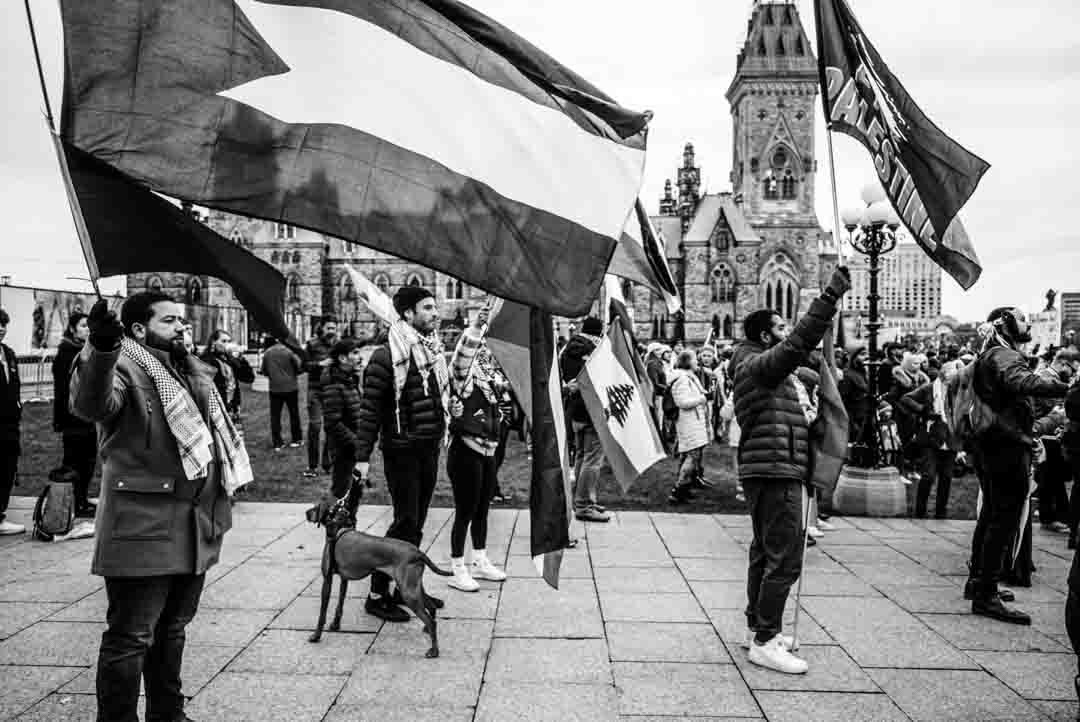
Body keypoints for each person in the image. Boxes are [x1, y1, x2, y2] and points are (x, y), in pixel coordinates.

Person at [71, 294, 248, 722]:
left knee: (172, 631)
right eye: (169, 321)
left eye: (182, 320)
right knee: (131, 637)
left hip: (193, 526)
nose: (182, 327)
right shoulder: (122, 365)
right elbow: (90, 404)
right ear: (137, 329)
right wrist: (102, 346)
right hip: (144, 527)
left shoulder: (187, 370)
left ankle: (168, 715)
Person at [733, 265, 850, 675]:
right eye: (780, 326)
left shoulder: (760, 365)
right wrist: (828, 299)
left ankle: (759, 628)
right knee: (784, 558)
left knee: (765, 552)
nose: (787, 332)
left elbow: (806, 359)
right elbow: (797, 346)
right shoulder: (757, 367)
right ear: (765, 336)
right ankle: (766, 639)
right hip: (774, 468)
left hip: (774, 465)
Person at [965, 307, 1069, 625]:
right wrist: (1067, 389)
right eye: (1022, 319)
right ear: (1007, 325)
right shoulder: (1004, 354)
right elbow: (1021, 381)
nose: (1028, 324)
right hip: (1006, 446)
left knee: (992, 513)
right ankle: (986, 593)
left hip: (994, 444)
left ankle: (980, 583)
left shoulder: (993, 353)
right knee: (1004, 517)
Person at [352, 287, 448, 622]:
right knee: (405, 523)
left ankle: (409, 588)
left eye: (435, 307)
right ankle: (378, 595)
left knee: (417, 524)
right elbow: (369, 412)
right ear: (408, 314)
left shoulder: (429, 350)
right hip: (402, 451)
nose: (436, 312)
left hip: (428, 448)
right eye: (428, 307)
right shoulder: (386, 356)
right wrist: (361, 459)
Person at [445, 308, 508, 591]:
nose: (486, 355)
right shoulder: (463, 378)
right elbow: (463, 355)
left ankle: (480, 560)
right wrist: (475, 327)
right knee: (465, 510)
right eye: (483, 352)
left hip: (488, 451)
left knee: (483, 508)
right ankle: (458, 566)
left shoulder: (491, 381)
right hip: (465, 451)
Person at [559, 317, 611, 523]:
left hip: (575, 409)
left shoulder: (568, 349)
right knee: (593, 459)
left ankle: (582, 499)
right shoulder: (594, 351)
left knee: (581, 455)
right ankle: (584, 505)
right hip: (592, 409)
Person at [900, 361, 962, 519]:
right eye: (952, 376)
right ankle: (920, 512)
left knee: (947, 477)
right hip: (930, 437)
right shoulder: (929, 388)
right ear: (943, 374)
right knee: (928, 475)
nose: (955, 379)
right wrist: (923, 411)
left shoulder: (959, 391)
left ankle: (941, 513)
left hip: (951, 438)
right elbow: (906, 399)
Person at [52, 311, 98, 517]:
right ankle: (71, 503)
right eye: (83, 326)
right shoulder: (68, 352)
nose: (87, 330)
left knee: (87, 461)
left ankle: (80, 500)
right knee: (75, 461)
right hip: (74, 416)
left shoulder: (82, 350)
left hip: (87, 415)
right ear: (72, 329)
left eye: (89, 326)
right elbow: (64, 389)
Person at [1032, 350, 1078, 532]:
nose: (1073, 374)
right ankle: (1050, 518)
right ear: (1062, 363)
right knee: (1049, 478)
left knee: (1054, 478)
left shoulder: (1051, 378)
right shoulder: (1046, 379)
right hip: (1045, 436)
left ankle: (1058, 517)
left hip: (1051, 434)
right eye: (1072, 369)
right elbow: (1053, 408)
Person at [321, 338, 364, 499]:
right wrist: (355, 441)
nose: (360, 357)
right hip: (343, 449)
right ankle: (329, 520)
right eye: (355, 353)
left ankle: (345, 522)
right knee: (341, 492)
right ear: (342, 358)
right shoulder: (334, 385)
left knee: (353, 492)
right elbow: (332, 423)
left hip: (353, 448)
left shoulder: (350, 381)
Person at [668, 350, 711, 505]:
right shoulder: (682, 379)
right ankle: (678, 490)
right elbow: (683, 402)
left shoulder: (688, 378)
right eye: (694, 360)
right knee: (692, 456)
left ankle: (684, 487)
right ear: (687, 361)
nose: (697, 362)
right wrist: (703, 398)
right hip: (688, 422)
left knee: (691, 455)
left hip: (693, 421)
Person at [303, 318, 339, 478]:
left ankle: (328, 464)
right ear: (322, 328)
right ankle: (312, 466)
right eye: (329, 328)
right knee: (315, 427)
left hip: (331, 390)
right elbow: (302, 366)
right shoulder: (312, 344)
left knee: (331, 428)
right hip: (315, 390)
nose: (332, 331)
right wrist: (320, 364)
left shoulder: (337, 345)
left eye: (334, 328)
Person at [199, 330, 254, 428]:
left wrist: (241, 358)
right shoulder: (207, 360)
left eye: (229, 341)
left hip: (232, 408)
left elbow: (248, 378)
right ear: (213, 342)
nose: (227, 344)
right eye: (223, 341)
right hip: (216, 408)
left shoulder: (230, 360)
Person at [0, 308, 23, 536]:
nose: (0, 328)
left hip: (9, 425)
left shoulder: (9, 354)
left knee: (7, 468)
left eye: (3, 324)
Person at [260, 335, 304, 451]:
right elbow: (299, 367)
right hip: (291, 387)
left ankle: (277, 442)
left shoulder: (267, 353)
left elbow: (264, 371)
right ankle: (297, 439)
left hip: (275, 388)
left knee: (275, 416)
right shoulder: (290, 352)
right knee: (294, 414)